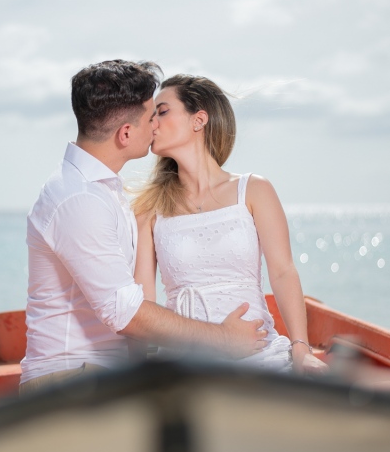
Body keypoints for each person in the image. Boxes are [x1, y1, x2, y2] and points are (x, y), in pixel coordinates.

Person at [20, 60, 268, 394]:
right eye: (152, 116)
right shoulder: (79, 199)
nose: (156, 125)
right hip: (70, 380)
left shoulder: (103, 189)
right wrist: (223, 338)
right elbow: (127, 313)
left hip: (102, 373)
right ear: (125, 134)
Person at [133, 74, 326, 373]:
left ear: (198, 120)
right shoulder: (148, 209)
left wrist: (301, 348)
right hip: (184, 360)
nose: (152, 122)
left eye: (162, 111)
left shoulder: (254, 190)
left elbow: (283, 271)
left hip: (258, 353)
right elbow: (143, 303)